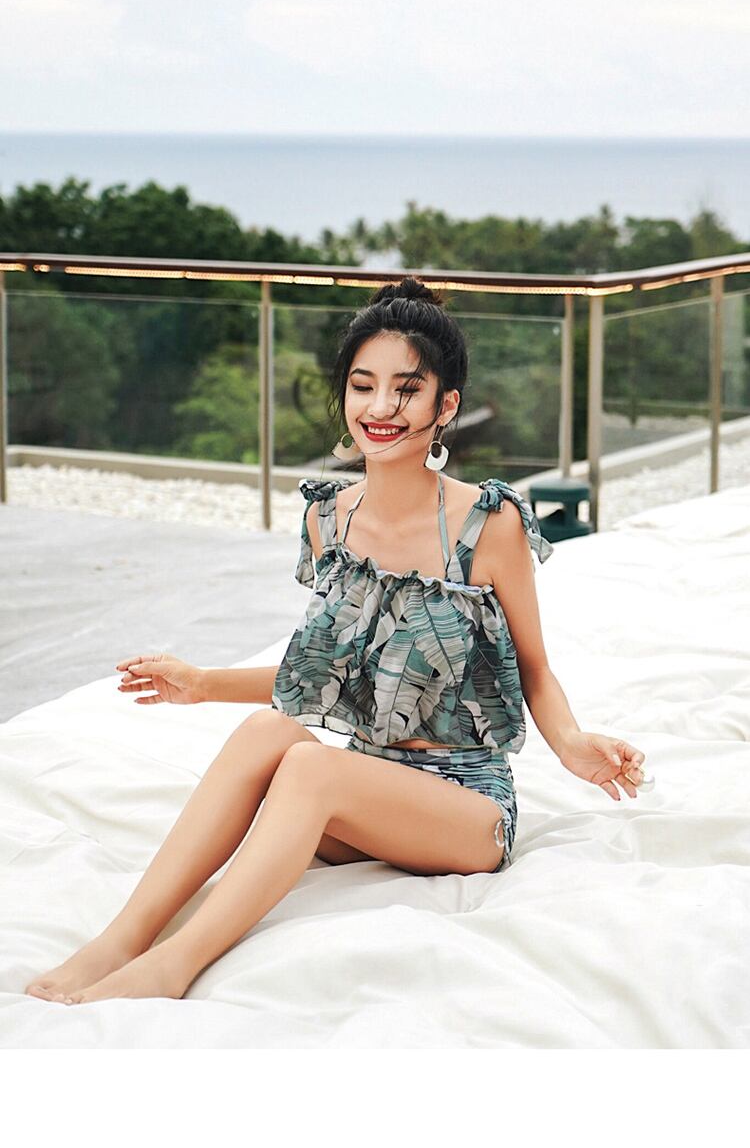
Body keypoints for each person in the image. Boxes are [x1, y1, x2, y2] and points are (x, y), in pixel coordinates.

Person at [25, 275, 648, 1006]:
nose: (380, 409)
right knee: (268, 734)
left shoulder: (489, 525)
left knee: (311, 769)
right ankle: (121, 940)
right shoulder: (331, 520)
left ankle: (175, 964)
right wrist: (200, 684)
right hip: (364, 792)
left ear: (446, 406)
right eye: (362, 386)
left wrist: (571, 743)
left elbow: (534, 668)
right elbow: (329, 673)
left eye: (407, 390)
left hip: (465, 810)